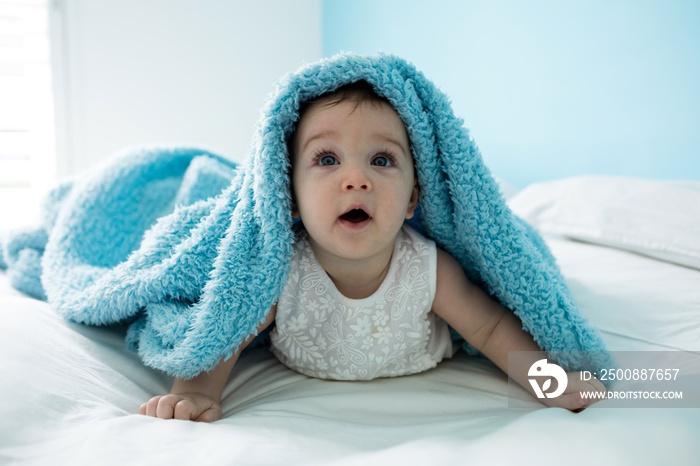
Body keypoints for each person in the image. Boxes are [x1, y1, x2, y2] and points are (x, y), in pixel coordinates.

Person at [139, 81, 605, 422]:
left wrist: (553, 382)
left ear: (412, 200)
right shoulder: (282, 272)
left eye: (381, 160)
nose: (356, 179)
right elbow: (230, 328)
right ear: (290, 197)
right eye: (327, 159)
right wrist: (196, 391)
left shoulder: (428, 268)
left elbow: (491, 327)